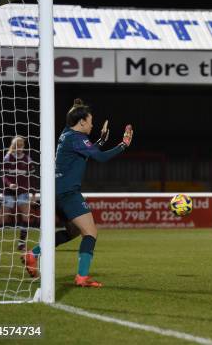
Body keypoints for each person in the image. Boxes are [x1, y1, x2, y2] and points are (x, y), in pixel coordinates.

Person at [22, 98, 133, 288]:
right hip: (67, 193)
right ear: (81, 122)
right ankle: (82, 277)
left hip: (55, 192)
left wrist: (101, 139)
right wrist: (124, 144)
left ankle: (33, 254)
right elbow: (101, 157)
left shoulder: (67, 134)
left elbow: (89, 150)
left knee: (73, 231)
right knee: (90, 232)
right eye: (90, 121)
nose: (92, 124)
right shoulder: (78, 138)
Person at [0, 136, 36, 251]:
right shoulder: (7, 158)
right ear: (13, 146)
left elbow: (32, 177)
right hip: (9, 192)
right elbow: (4, 176)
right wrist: (10, 185)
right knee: (3, 219)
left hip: (23, 191)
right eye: (17, 146)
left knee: (26, 217)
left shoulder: (27, 159)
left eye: (21, 146)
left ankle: (21, 244)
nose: (19, 148)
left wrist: (33, 192)